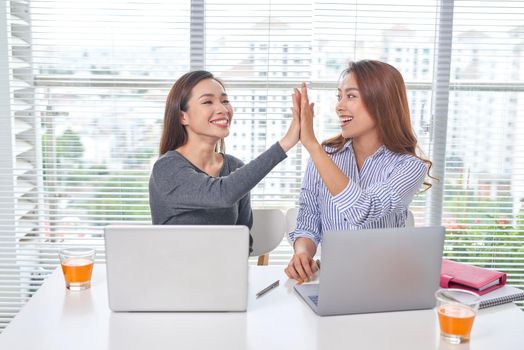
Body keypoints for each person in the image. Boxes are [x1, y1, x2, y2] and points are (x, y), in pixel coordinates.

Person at [285, 60, 433, 282]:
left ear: (380, 102)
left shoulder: (409, 167)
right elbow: (309, 218)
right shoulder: (326, 156)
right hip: (333, 280)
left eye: (351, 96)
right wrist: (302, 253)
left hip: (386, 284)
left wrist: (313, 147)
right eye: (339, 96)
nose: (339, 106)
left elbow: (364, 210)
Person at [149, 70, 300, 253]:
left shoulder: (234, 167)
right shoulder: (167, 168)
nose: (222, 109)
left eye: (225, 100)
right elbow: (222, 194)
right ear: (183, 116)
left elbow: (244, 239)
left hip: (225, 276)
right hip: (177, 277)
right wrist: (285, 144)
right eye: (207, 102)